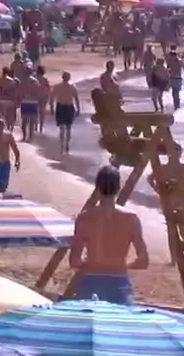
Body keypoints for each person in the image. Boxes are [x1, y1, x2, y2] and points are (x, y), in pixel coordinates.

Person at [69, 166, 148, 304]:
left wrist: (92, 263)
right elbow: (143, 261)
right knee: (120, 322)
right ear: (118, 188)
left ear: (97, 187)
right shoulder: (131, 218)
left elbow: (74, 261)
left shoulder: (84, 218)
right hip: (119, 283)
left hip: (91, 282)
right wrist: (121, 264)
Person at [50, 71, 81, 154]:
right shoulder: (72, 87)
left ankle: (62, 145)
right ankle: (66, 144)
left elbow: (52, 98)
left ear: (62, 77)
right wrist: (78, 109)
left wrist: (52, 108)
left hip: (60, 107)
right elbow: (76, 99)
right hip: (69, 107)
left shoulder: (57, 87)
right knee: (68, 128)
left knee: (61, 128)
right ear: (69, 78)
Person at [0, 66, 19, 132]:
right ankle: (11, 129)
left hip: (1, 100)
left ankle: (3, 130)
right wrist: (16, 101)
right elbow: (16, 93)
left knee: (1, 116)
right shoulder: (13, 81)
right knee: (11, 116)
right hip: (10, 101)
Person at [166, 46, 184, 110]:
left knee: (174, 93)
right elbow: (182, 66)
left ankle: (176, 106)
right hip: (178, 78)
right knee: (176, 93)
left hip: (172, 77)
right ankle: (177, 106)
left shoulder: (169, 61)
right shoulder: (179, 61)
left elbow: (168, 69)